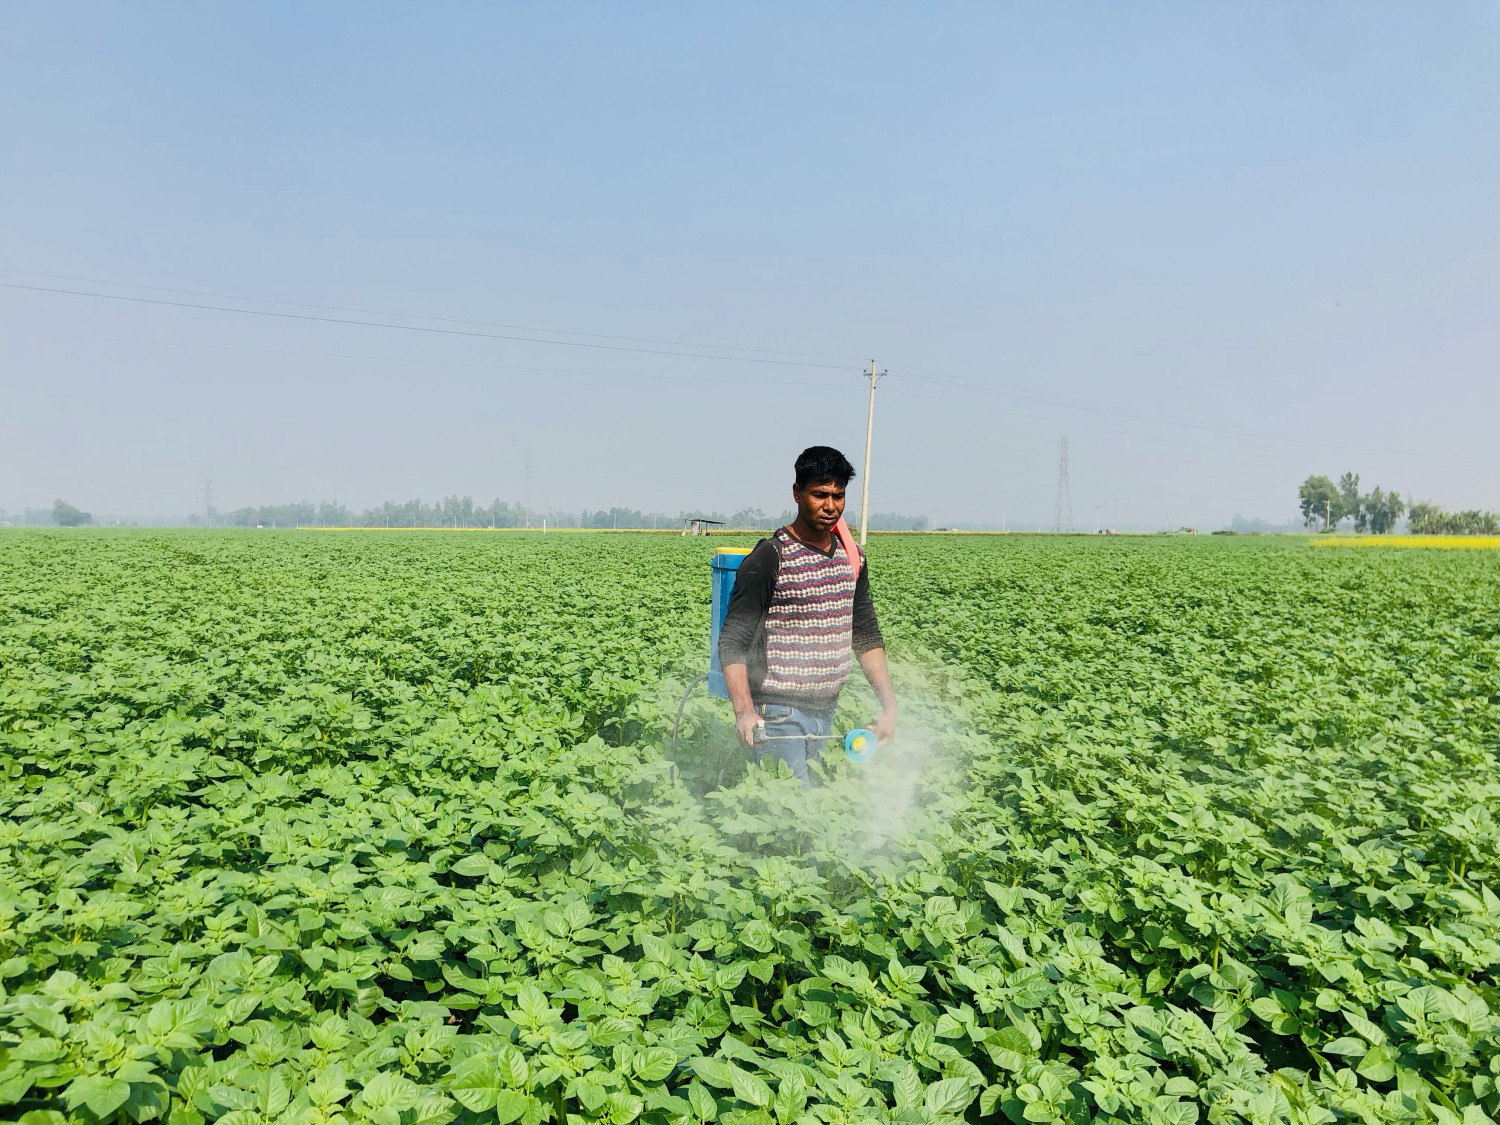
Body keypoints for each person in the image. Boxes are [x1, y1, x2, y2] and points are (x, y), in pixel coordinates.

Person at [716, 446, 898, 782]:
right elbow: (733, 641)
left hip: (827, 711)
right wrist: (744, 711)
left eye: (838, 496)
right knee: (788, 807)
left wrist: (889, 707)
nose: (830, 506)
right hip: (778, 713)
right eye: (819, 495)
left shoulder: (853, 558)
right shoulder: (771, 556)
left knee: (816, 804)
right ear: (797, 493)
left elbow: (866, 635)